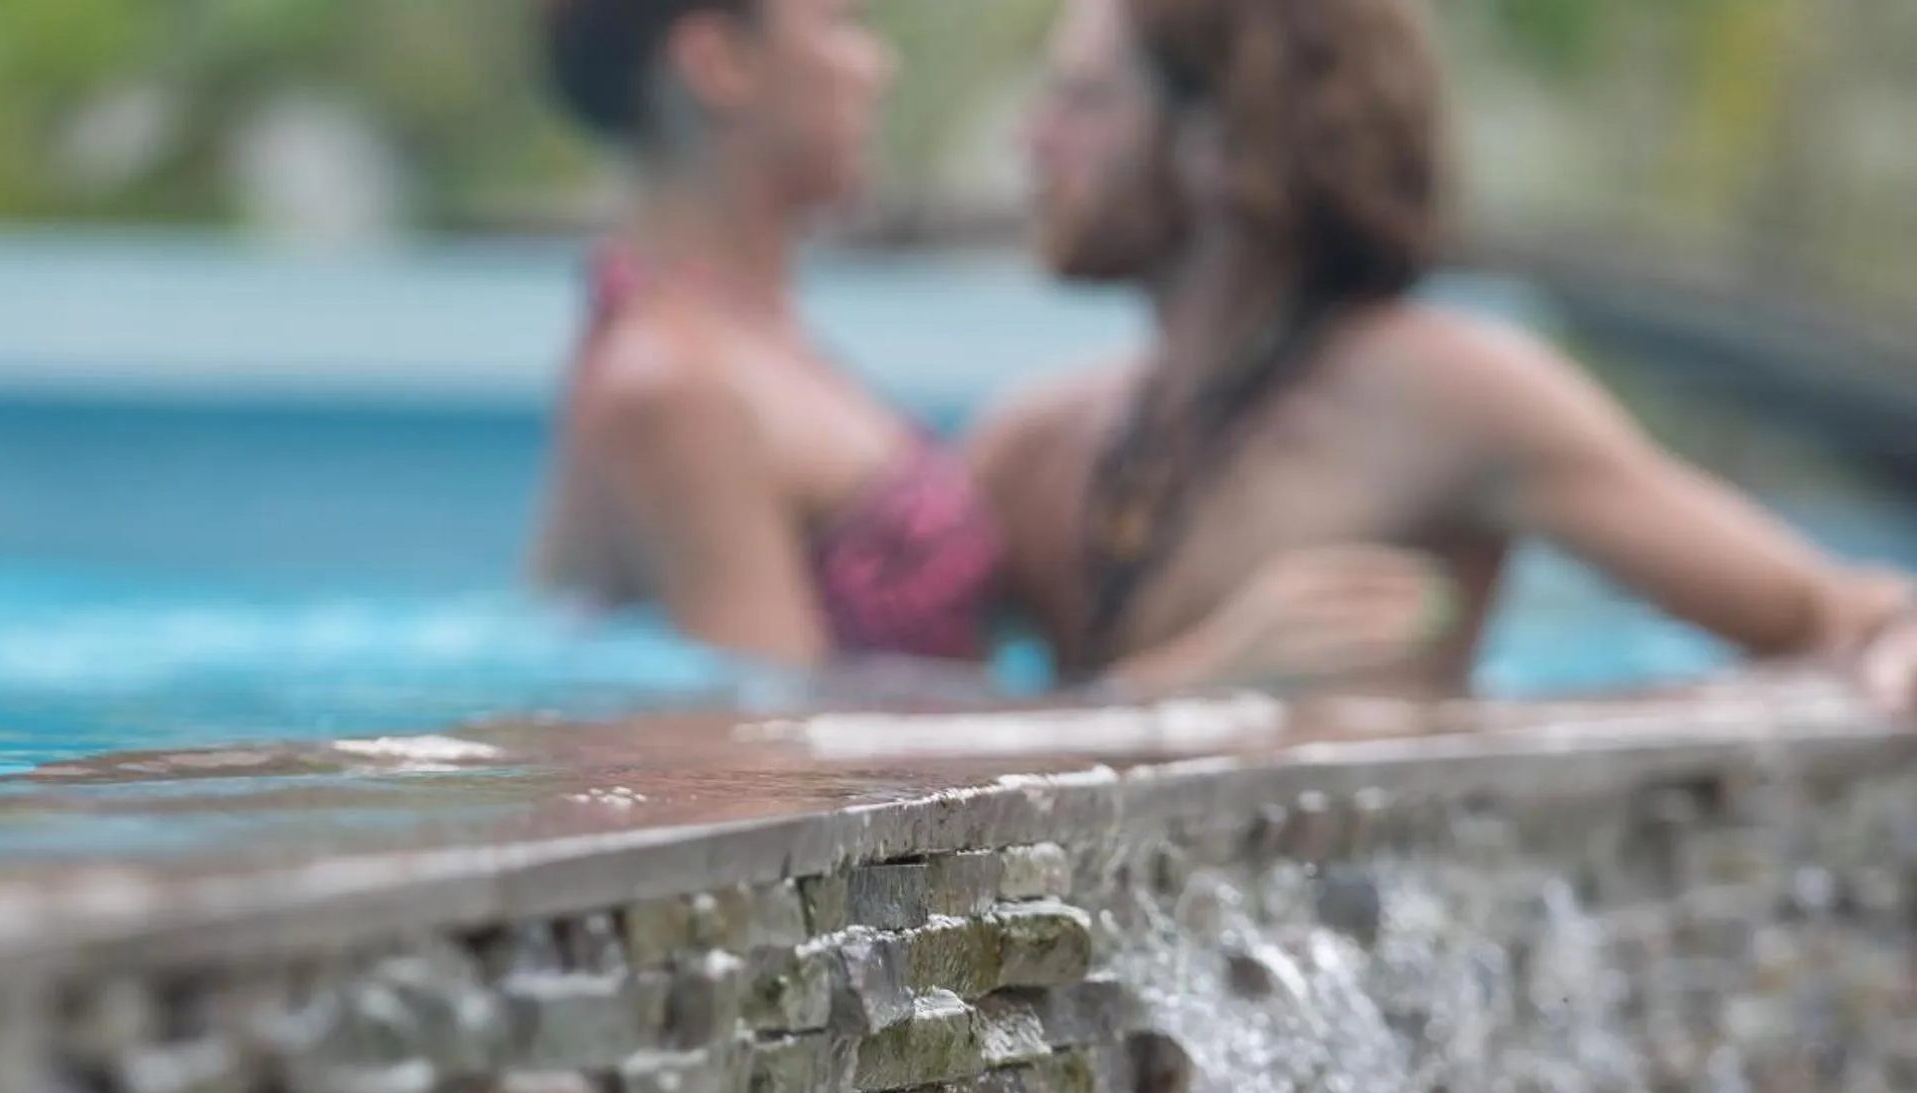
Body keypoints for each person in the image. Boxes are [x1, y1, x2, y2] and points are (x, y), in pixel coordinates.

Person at [970, 0, 1917, 707]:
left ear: (1223, 140)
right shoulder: (1039, 441)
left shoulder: (1442, 399)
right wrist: (1192, 685)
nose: (1032, 138)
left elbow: (1831, 613)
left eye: (1083, 96)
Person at [530, 0, 1009, 670]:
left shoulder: (729, 341)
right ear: (719, 61)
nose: (878, 68)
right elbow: (756, 758)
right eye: (845, 22)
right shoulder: (677, 387)